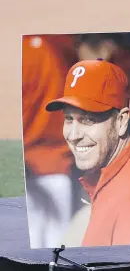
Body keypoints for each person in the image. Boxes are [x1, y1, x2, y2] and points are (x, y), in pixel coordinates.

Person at [45, 59, 130, 247]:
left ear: (121, 121)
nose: (73, 135)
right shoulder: (128, 178)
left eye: (88, 119)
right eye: (69, 119)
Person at [22, 36, 74, 248]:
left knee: (30, 244)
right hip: (59, 166)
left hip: (28, 165)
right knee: (58, 247)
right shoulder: (64, 50)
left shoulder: (25, 51)